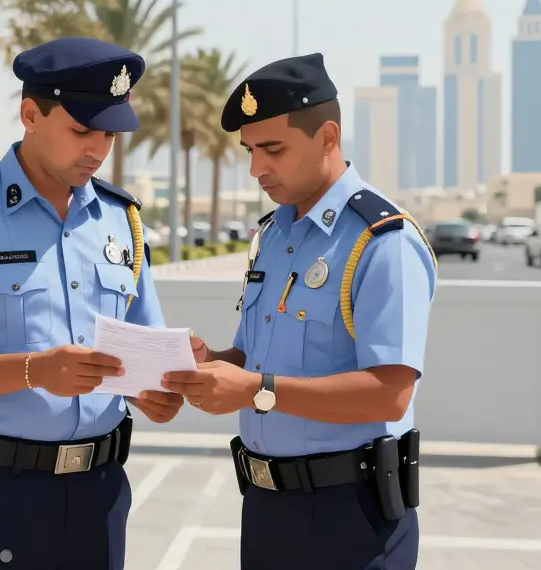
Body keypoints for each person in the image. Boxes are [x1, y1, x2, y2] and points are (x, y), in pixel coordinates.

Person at [0, 36, 184, 570]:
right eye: (81, 129)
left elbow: (142, 349)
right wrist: (33, 371)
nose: (97, 148)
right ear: (29, 114)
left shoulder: (122, 220)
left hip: (100, 493)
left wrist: (157, 388)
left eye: (109, 133)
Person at [161, 52, 437, 570]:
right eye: (248, 150)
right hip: (267, 508)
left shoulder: (381, 242)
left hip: (352, 517)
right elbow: (257, 356)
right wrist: (213, 362)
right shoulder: (274, 234)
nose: (256, 168)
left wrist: (256, 392)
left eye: (273, 148)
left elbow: (390, 393)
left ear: (328, 137)